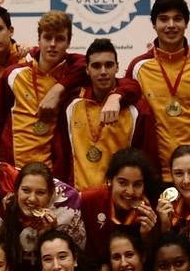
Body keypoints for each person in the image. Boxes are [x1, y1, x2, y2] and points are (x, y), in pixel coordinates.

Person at [0, 10, 125, 169]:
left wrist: (59, 88)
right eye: (47, 37)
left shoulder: (78, 72)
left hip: (54, 175)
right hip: (14, 170)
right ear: (39, 39)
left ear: (69, 42)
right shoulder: (13, 74)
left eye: (59, 39)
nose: (52, 44)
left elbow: (128, 85)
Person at [126, 0, 190, 185]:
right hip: (155, 175)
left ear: (186, 23)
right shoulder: (138, 66)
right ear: (153, 24)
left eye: (177, 19)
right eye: (163, 19)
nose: (171, 25)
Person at [60, 38, 156, 190]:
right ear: (87, 69)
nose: (103, 71)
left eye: (109, 65)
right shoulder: (70, 105)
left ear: (117, 67)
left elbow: (147, 158)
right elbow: (63, 157)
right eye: (96, 66)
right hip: (80, 198)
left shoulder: (137, 107)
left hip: (122, 199)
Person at [0, 162, 86, 271]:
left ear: (50, 195)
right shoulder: (10, 206)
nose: (32, 199)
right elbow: (9, 261)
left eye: (40, 193)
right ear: (17, 190)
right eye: (26, 190)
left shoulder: (67, 213)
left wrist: (48, 234)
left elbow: (73, 268)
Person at [78, 148, 159, 269]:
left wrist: (147, 236)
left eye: (137, 184)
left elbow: (152, 260)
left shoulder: (149, 211)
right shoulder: (87, 199)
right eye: (123, 183)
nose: (130, 192)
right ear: (110, 180)